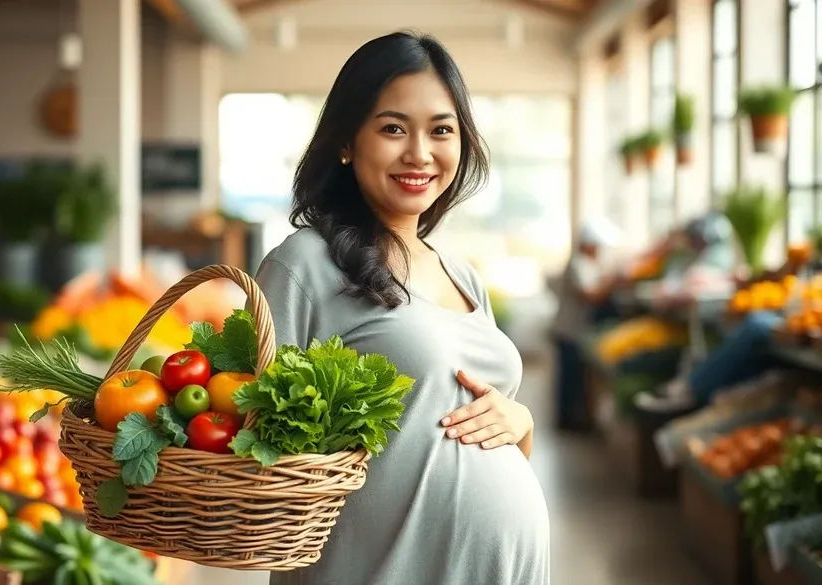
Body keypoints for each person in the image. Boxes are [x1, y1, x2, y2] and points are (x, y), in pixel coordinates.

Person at [253, 32, 549, 585]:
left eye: (441, 130)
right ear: (346, 141)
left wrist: (522, 424)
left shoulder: (460, 273)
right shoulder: (303, 265)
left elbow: (464, 436)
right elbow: (250, 442)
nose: (419, 153)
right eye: (393, 128)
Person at [551, 222, 618, 430]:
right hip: (568, 331)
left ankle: (576, 418)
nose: (599, 251)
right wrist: (613, 283)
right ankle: (567, 421)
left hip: (576, 331)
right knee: (569, 380)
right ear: (588, 245)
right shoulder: (577, 265)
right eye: (597, 246)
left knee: (577, 379)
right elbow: (589, 295)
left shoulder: (588, 264)